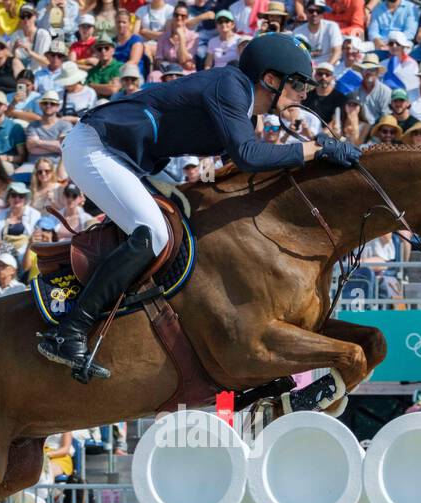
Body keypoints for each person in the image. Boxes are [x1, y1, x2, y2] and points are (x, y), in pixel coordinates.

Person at [36, 33, 360, 381]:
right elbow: (249, 156)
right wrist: (317, 150)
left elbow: (241, 167)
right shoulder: (231, 86)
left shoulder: (242, 109)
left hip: (125, 160)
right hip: (95, 148)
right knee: (155, 234)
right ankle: (69, 332)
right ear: (270, 79)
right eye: (298, 84)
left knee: (177, 223)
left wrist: (320, 158)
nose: (304, 94)